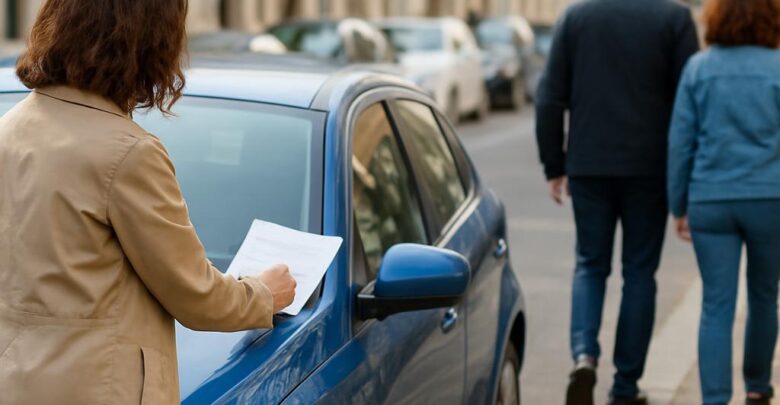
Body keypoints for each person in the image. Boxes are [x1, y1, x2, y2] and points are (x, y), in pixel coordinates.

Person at [0, 1, 297, 404]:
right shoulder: (127, 153)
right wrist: (264, 293)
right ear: (148, 43)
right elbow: (196, 297)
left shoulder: (10, 128)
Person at [535, 0, 699, 404]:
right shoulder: (674, 19)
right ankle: (625, 386)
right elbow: (689, 105)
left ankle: (584, 356)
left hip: (589, 164)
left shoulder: (577, 16)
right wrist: (687, 180)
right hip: (650, 167)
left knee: (590, 265)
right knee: (640, 273)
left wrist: (554, 163)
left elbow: (549, 96)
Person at [667, 0, 780, 403]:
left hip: (711, 199)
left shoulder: (699, 68)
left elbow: (681, 143)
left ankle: (715, 399)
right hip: (770, 198)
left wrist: (678, 204)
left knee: (717, 304)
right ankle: (757, 387)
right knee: (766, 296)